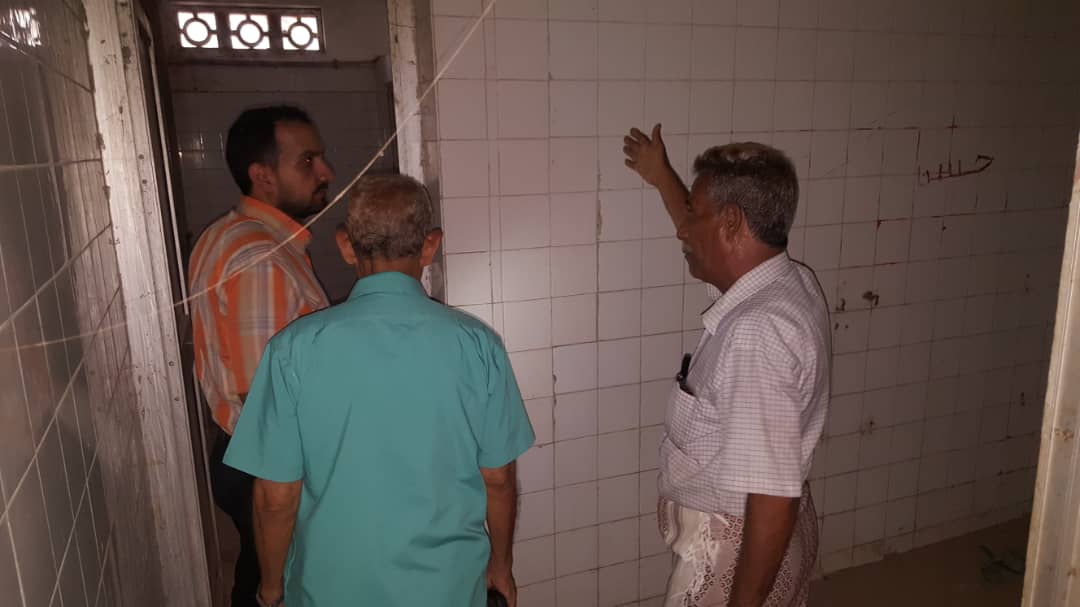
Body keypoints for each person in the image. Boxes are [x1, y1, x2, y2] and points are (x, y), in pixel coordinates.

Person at [223, 174, 535, 607]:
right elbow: (498, 478)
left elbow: (276, 497)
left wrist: (271, 588)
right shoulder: (479, 346)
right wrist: (501, 566)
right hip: (446, 588)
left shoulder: (292, 350)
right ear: (430, 245)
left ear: (346, 245)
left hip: (330, 590)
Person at [624, 125, 830, 607]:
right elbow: (705, 245)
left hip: (732, 556)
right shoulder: (787, 283)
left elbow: (772, 496)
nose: (683, 228)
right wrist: (663, 178)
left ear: (732, 223)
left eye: (694, 214)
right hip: (774, 539)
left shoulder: (757, 332)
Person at [188, 105, 334, 607]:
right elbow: (264, 400)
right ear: (263, 175)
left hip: (245, 456)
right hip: (269, 468)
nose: (326, 172)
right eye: (308, 161)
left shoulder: (229, 233)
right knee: (280, 587)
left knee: (258, 573)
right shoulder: (261, 258)